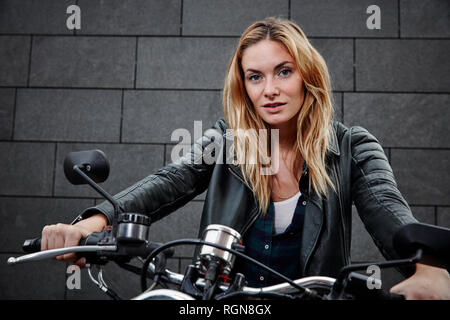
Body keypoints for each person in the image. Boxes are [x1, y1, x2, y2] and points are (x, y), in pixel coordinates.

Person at [40, 17, 450, 300]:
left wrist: (429, 267)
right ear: (244, 86)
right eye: (255, 76)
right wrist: (93, 224)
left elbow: (389, 212)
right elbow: (170, 180)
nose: (269, 88)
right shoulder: (227, 139)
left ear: (308, 75)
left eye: (283, 71)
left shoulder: (353, 147)